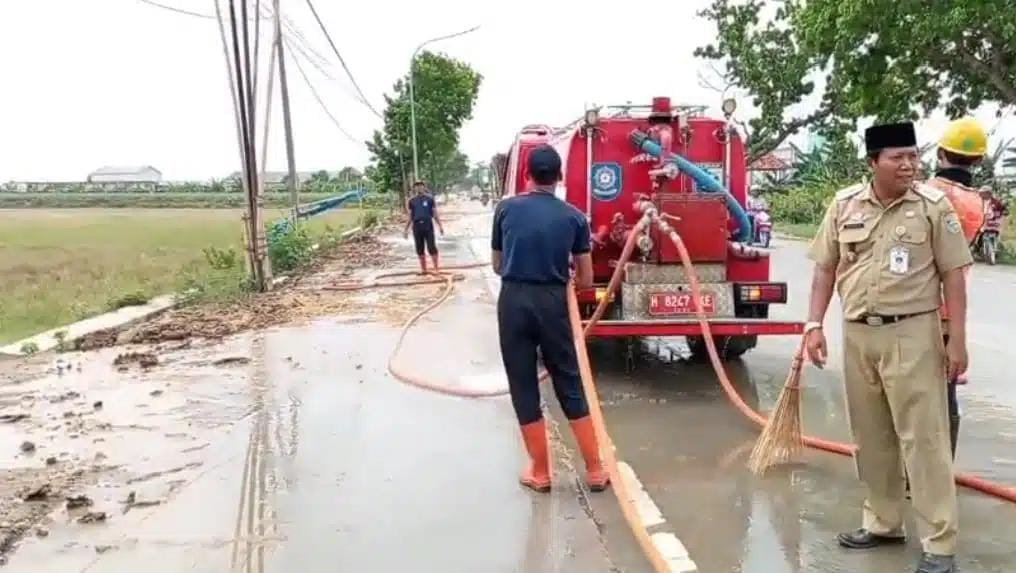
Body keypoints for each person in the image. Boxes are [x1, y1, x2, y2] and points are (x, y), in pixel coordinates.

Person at [804, 122, 972, 573]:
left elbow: (953, 274)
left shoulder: (934, 208)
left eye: (914, 156)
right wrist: (813, 324)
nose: (909, 165)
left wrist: (956, 339)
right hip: (858, 333)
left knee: (925, 439)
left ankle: (940, 545)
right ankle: (883, 522)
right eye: (898, 157)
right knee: (871, 437)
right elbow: (825, 269)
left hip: (913, 333)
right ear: (873, 162)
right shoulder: (844, 206)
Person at [490, 144, 609, 493]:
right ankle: (595, 470)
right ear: (559, 177)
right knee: (569, 381)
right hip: (553, 302)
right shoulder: (574, 218)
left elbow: (498, 265)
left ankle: (540, 473)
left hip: (513, 301)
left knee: (523, 384)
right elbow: (586, 279)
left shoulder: (505, 209)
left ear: (527, 174)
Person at [924, 116, 988, 458]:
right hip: (951, 309)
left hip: (916, 308)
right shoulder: (978, 203)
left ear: (940, 153)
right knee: (945, 390)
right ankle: (941, 466)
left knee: (910, 392)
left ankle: (909, 472)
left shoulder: (925, 193)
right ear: (978, 160)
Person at [403, 181, 444, 273]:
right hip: (417, 226)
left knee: (431, 247)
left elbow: (435, 214)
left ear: (424, 187)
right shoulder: (411, 201)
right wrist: (406, 230)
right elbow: (410, 216)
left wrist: (440, 226)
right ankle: (424, 270)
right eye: (416, 186)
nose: (419, 188)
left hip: (428, 225)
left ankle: (436, 268)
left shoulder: (430, 199)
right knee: (419, 248)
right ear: (414, 188)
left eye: (421, 186)